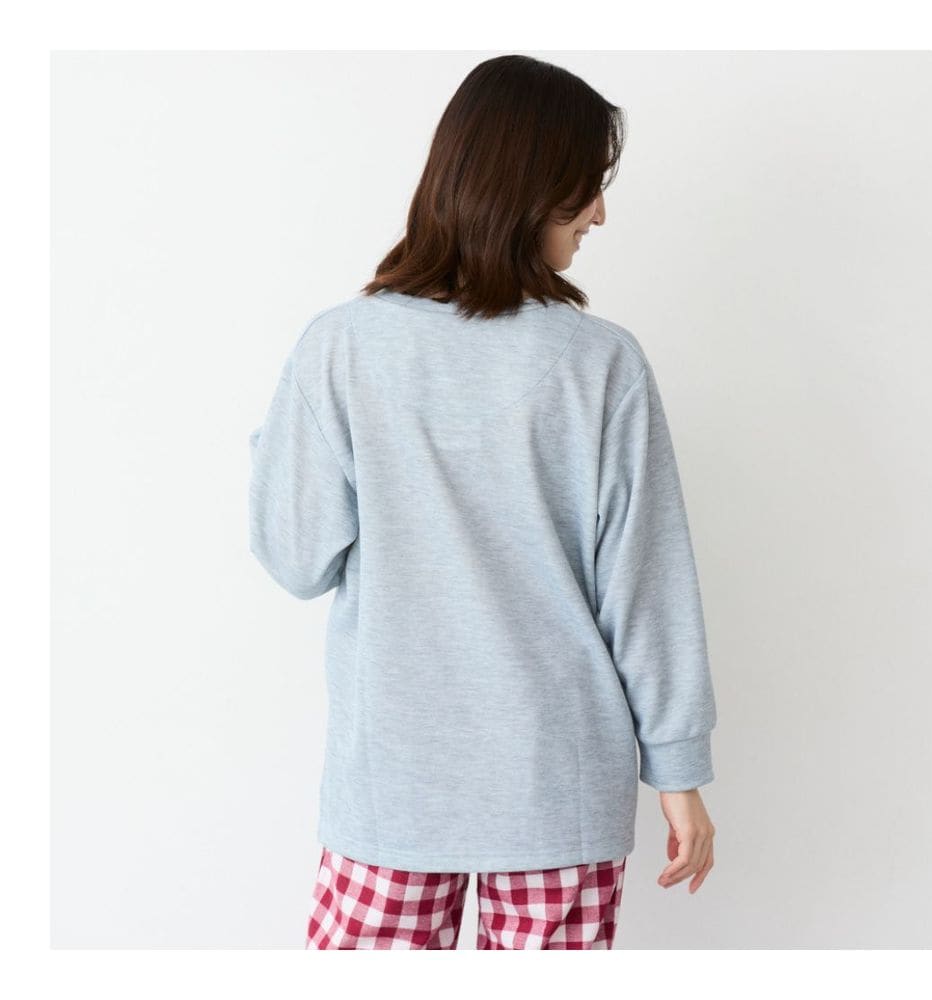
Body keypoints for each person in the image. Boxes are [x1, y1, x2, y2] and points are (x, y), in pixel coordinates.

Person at [248, 53, 718, 951]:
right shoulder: (601, 364)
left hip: (391, 787)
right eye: (585, 188)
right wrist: (679, 771)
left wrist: (285, 443)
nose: (600, 214)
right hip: (558, 787)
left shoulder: (341, 347)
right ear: (525, 185)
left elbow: (293, 555)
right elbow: (646, 590)